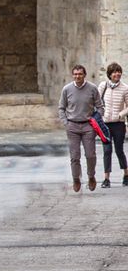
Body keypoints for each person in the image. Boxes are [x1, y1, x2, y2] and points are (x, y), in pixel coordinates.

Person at [58, 64, 104, 192]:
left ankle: (91, 176)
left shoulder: (92, 88)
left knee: (90, 154)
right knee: (74, 156)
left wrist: (96, 120)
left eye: (80, 74)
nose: (77, 76)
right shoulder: (67, 89)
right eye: (75, 74)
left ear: (84, 75)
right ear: (72, 75)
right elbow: (61, 108)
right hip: (72, 126)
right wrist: (65, 123)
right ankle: (76, 179)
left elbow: (100, 107)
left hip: (88, 126)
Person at [99, 63, 128, 188]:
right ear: (110, 74)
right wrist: (101, 113)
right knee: (107, 151)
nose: (117, 74)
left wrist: (120, 115)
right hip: (105, 124)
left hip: (118, 124)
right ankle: (106, 179)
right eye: (114, 72)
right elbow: (96, 101)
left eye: (119, 72)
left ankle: (126, 174)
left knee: (119, 150)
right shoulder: (103, 86)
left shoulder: (125, 88)